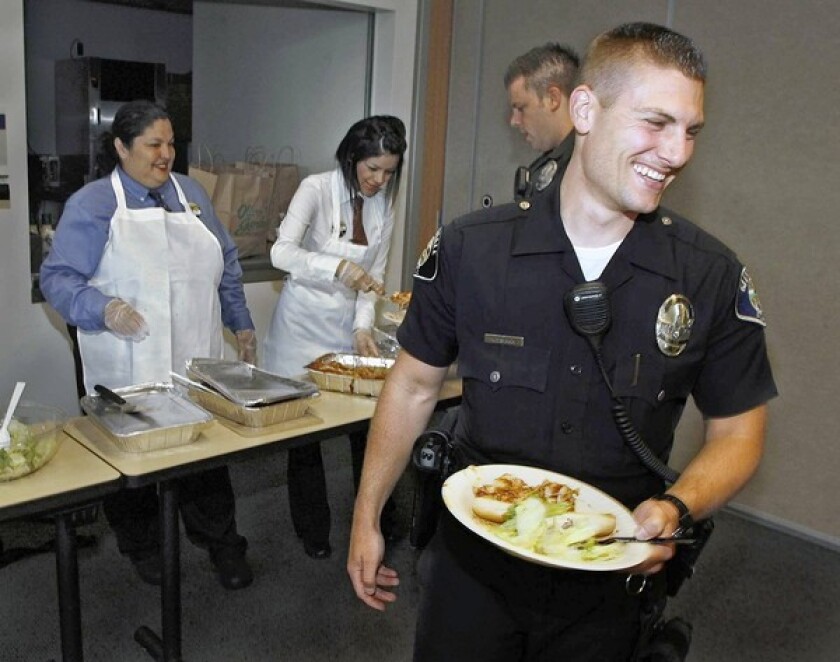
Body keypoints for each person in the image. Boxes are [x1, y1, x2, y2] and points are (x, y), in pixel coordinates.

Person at [348, 22, 777, 661]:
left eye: (690, 131)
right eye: (656, 123)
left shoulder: (709, 275)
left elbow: (739, 433)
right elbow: (412, 385)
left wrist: (677, 506)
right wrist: (367, 513)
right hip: (473, 566)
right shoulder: (470, 249)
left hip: (610, 580)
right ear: (584, 109)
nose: (678, 152)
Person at [40, 100, 256, 590]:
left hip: (191, 358)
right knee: (133, 459)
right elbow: (57, 278)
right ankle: (142, 547)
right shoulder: (94, 204)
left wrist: (240, 323)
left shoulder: (192, 194)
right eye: (153, 145)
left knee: (205, 460)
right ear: (121, 147)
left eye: (171, 144)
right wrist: (104, 309)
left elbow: (225, 262)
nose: (165, 155)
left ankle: (223, 544)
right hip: (127, 362)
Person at [262, 116, 407, 560]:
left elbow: (375, 276)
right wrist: (336, 267)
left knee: (366, 427)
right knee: (304, 435)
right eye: (372, 170)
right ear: (351, 158)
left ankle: (375, 518)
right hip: (301, 326)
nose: (380, 180)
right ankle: (314, 530)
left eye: (388, 171)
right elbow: (280, 251)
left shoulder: (384, 205)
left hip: (345, 328)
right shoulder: (316, 188)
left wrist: (363, 326)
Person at [504, 42, 580, 198]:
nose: (514, 121)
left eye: (521, 108)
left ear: (553, 99)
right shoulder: (544, 166)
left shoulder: (587, 166)